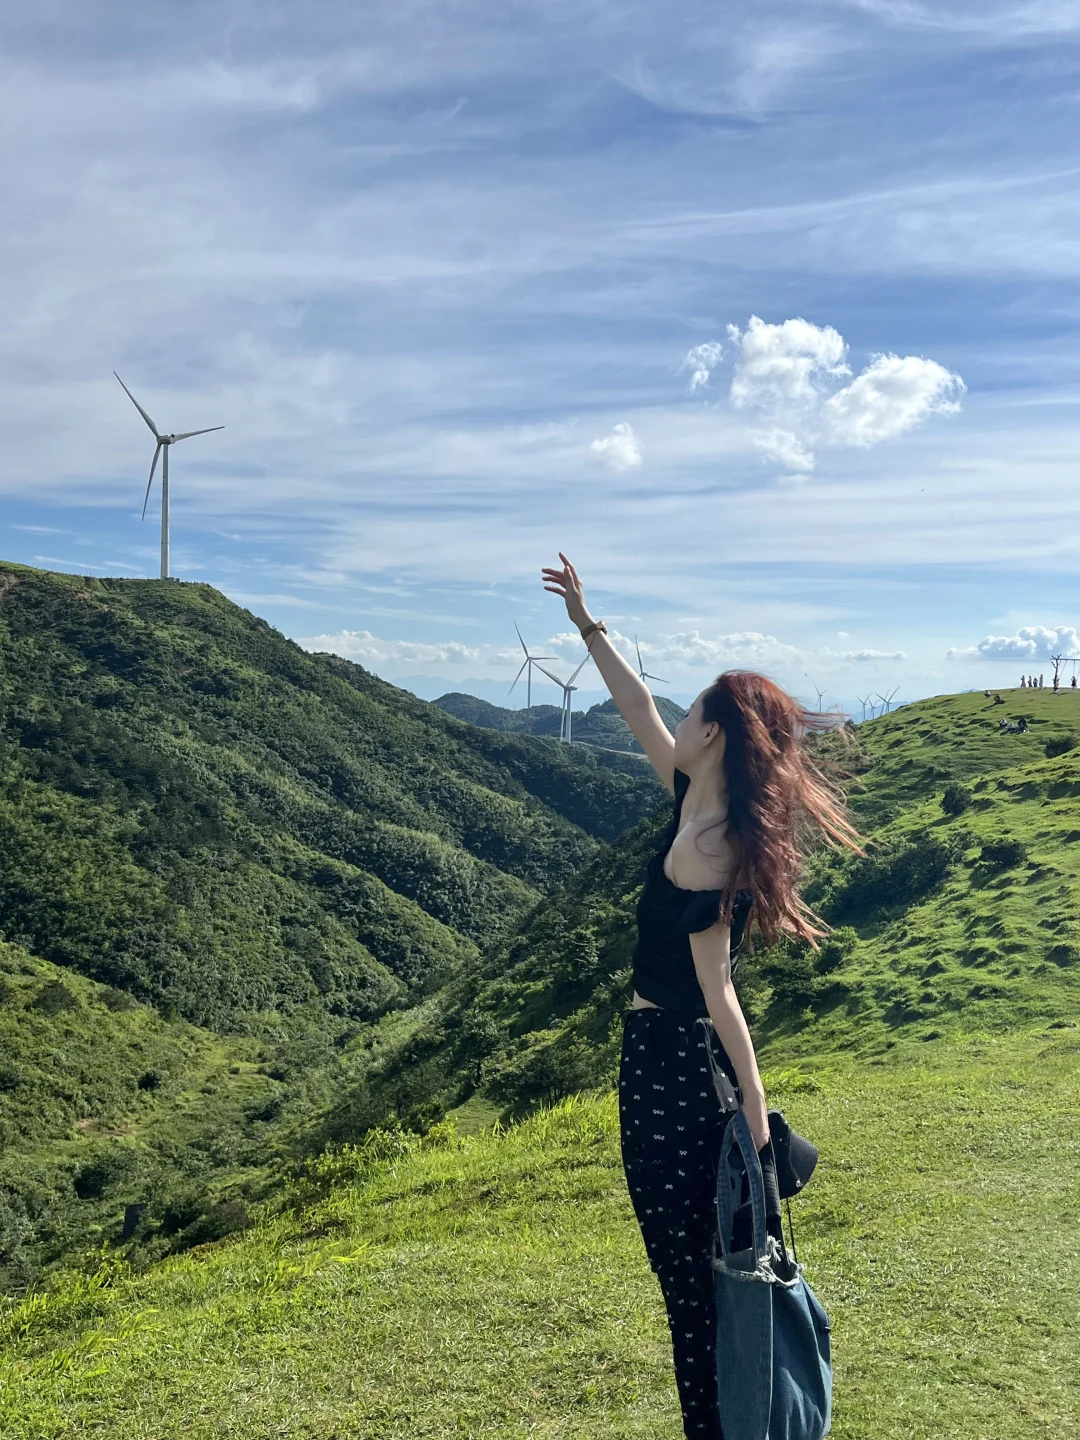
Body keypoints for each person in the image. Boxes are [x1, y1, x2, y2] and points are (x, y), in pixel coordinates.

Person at [541, 552, 862, 1440]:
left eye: (693, 712)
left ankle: (726, 1425)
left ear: (716, 733)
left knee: (694, 1289)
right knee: (700, 1278)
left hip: (671, 1072)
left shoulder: (707, 845)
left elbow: (718, 988)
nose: (674, 720)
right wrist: (586, 624)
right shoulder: (694, 800)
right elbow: (637, 708)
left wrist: (757, 1109)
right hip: (676, 1064)